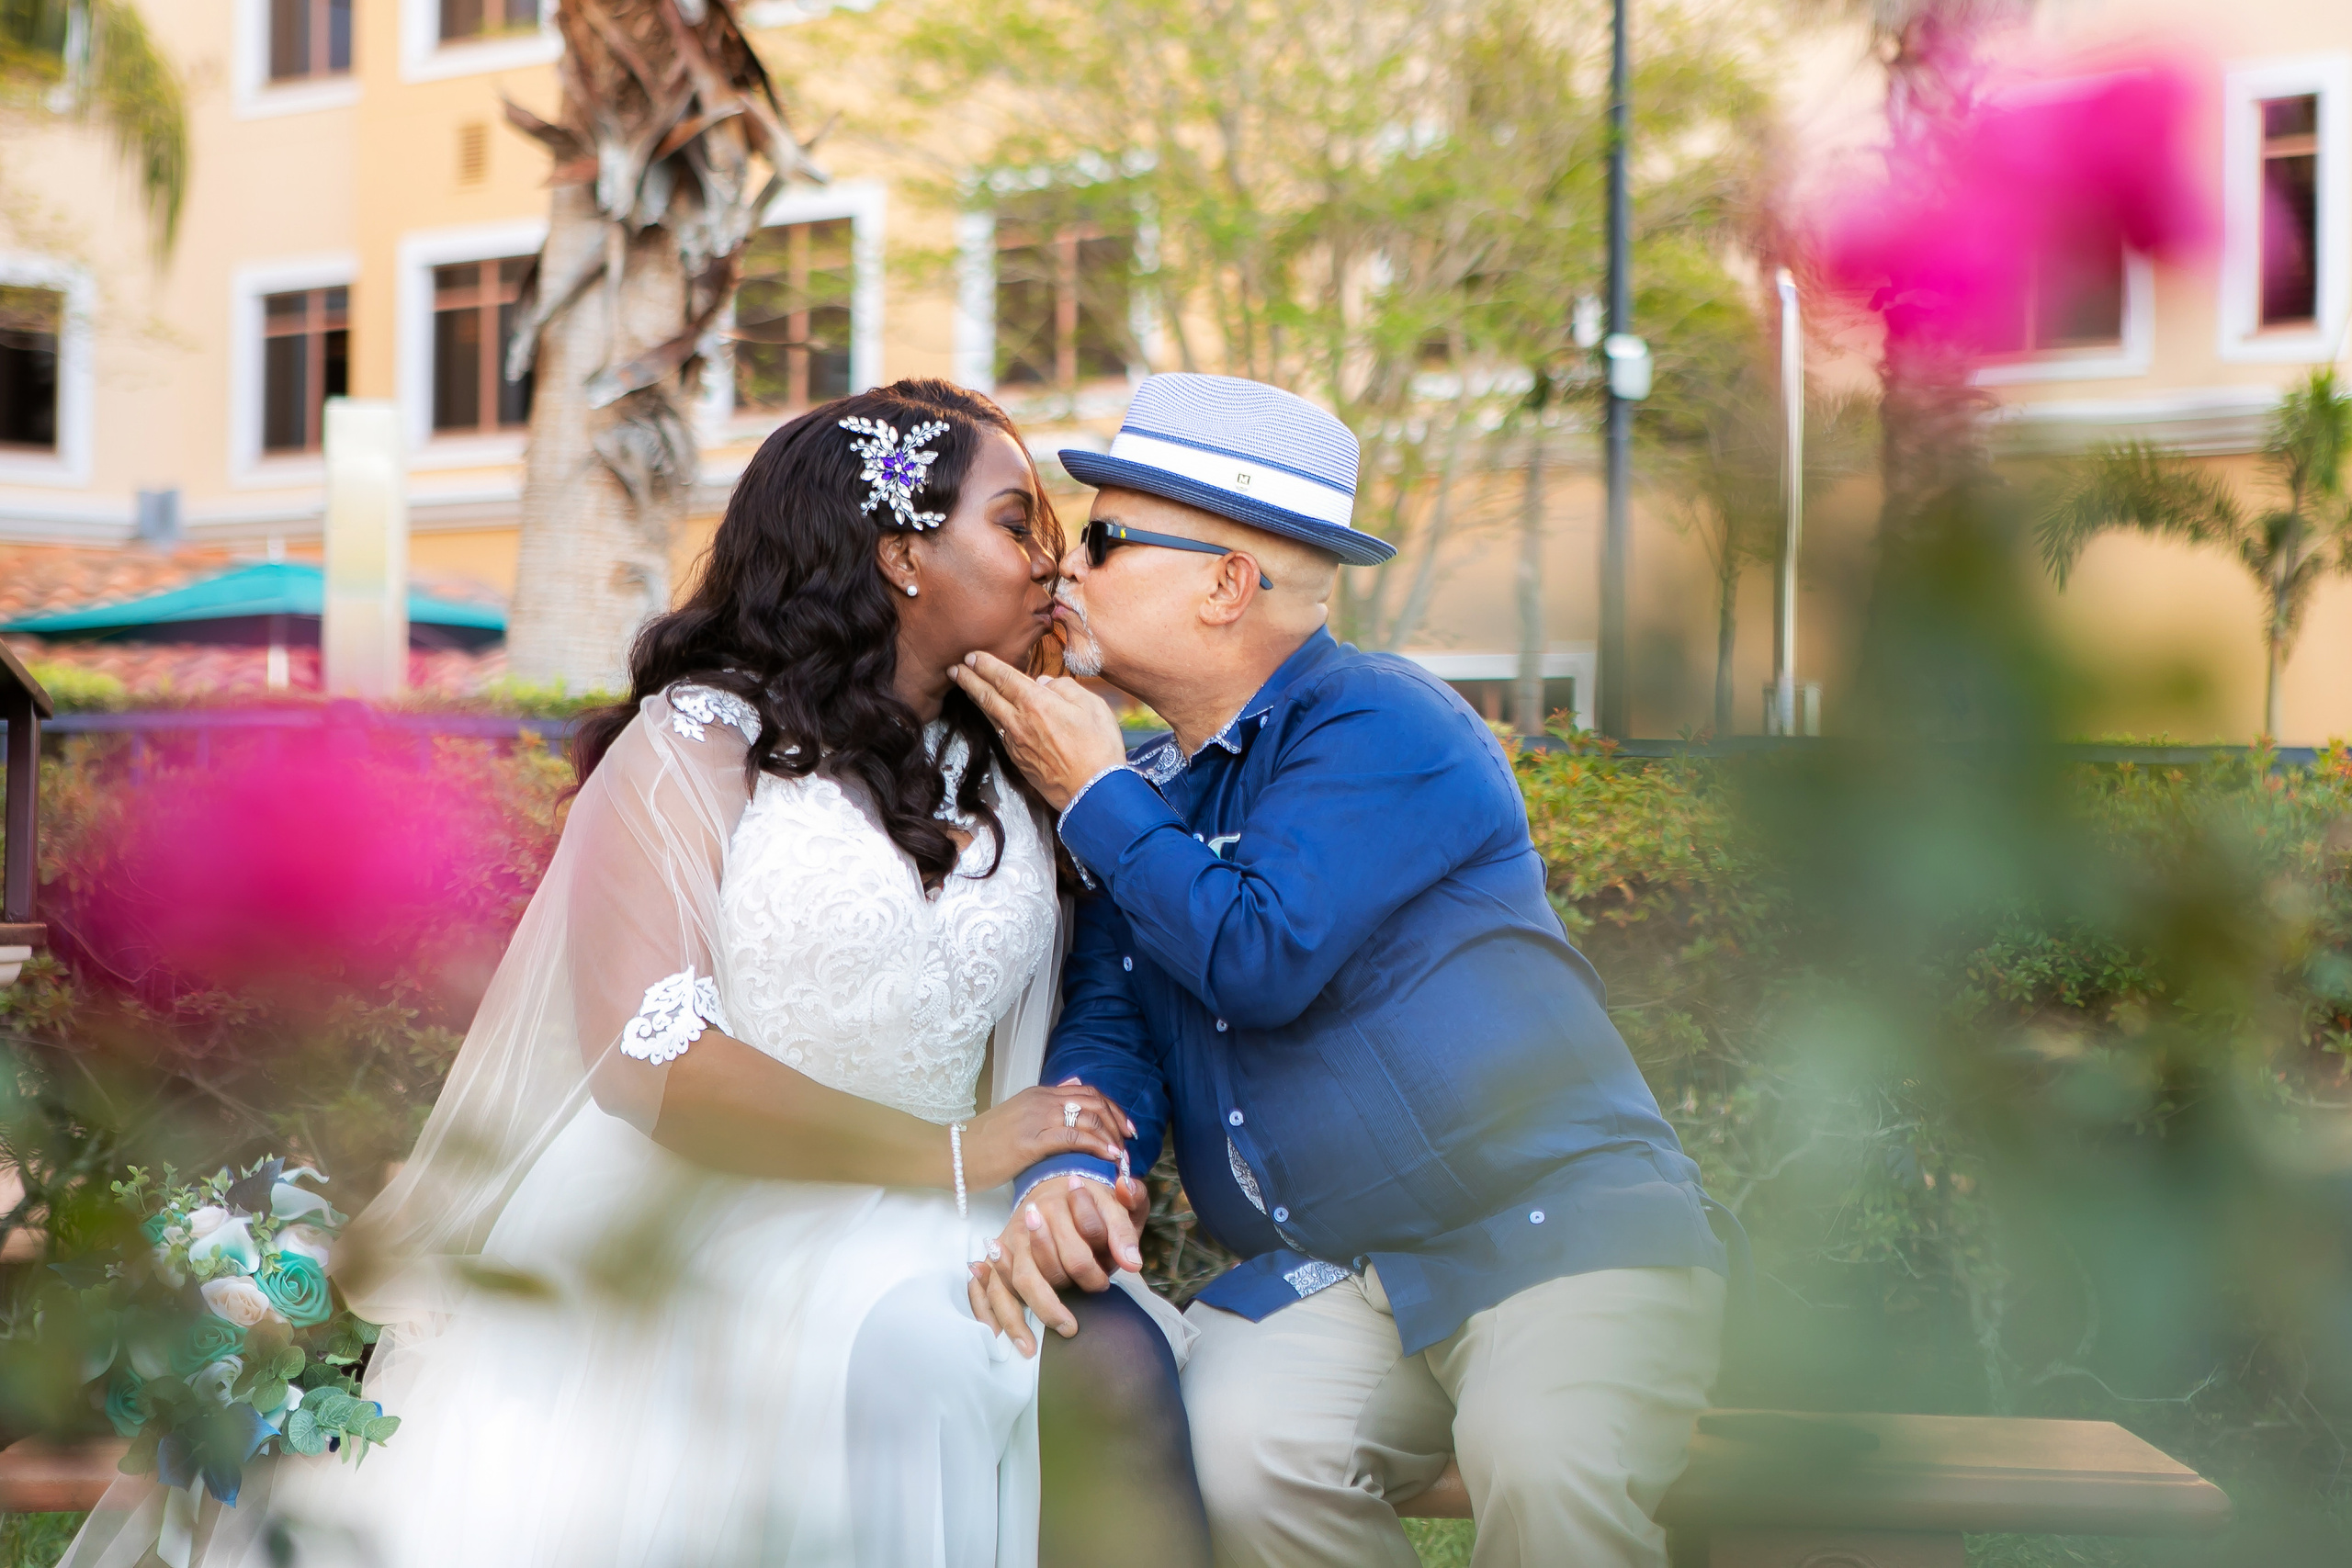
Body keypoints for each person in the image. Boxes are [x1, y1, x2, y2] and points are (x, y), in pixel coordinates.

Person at [56, 379, 1176, 1568]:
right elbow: (655, 1060)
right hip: (708, 1213)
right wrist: (954, 1151)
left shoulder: (1021, 764)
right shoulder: (697, 744)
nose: (1054, 564)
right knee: (936, 1351)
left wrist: (1052, 1175)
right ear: (902, 554)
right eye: (1017, 524)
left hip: (954, 1208)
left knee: (1076, 1353)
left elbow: (1093, 998)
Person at [956, 372, 1738, 1568]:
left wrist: (1094, 793)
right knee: (1241, 1449)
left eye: (1103, 540)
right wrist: (1070, 1171)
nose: (1067, 571)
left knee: (1544, 1461)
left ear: (1227, 585)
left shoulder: (1384, 723)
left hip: (1562, 1237)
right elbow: (1111, 1029)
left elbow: (1258, 954)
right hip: (1353, 1281)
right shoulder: (1150, 794)